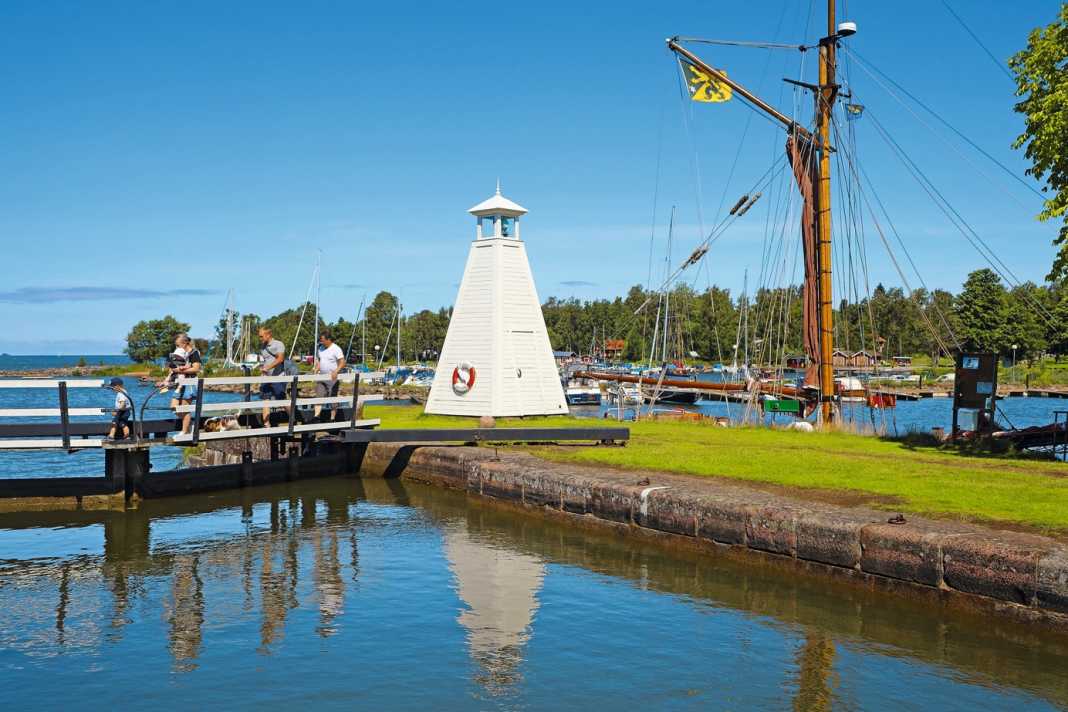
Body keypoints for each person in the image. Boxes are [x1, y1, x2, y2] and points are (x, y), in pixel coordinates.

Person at [171, 334, 202, 433]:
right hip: (182, 382)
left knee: (184, 409)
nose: (177, 348)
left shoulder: (194, 353)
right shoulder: (184, 354)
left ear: (184, 343)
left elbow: (196, 368)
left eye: (178, 345)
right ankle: (190, 424)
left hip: (190, 383)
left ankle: (184, 432)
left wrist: (181, 371)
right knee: (174, 407)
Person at [313, 330, 346, 419]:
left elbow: (342, 362)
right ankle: (316, 417)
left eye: (323, 340)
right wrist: (317, 368)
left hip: (332, 379)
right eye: (321, 340)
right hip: (322, 377)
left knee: (333, 399)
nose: (321, 341)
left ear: (329, 339)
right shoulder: (320, 348)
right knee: (318, 397)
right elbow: (320, 361)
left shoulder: (336, 349)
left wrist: (336, 371)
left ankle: (332, 419)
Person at [258, 327, 287, 424]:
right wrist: (263, 369)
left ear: (268, 335)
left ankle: (293, 420)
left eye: (261, 336)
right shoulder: (262, 347)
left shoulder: (279, 344)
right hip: (266, 377)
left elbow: (280, 359)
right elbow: (266, 361)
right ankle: (267, 426)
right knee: (265, 400)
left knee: (282, 401)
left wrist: (268, 368)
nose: (260, 338)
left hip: (278, 376)